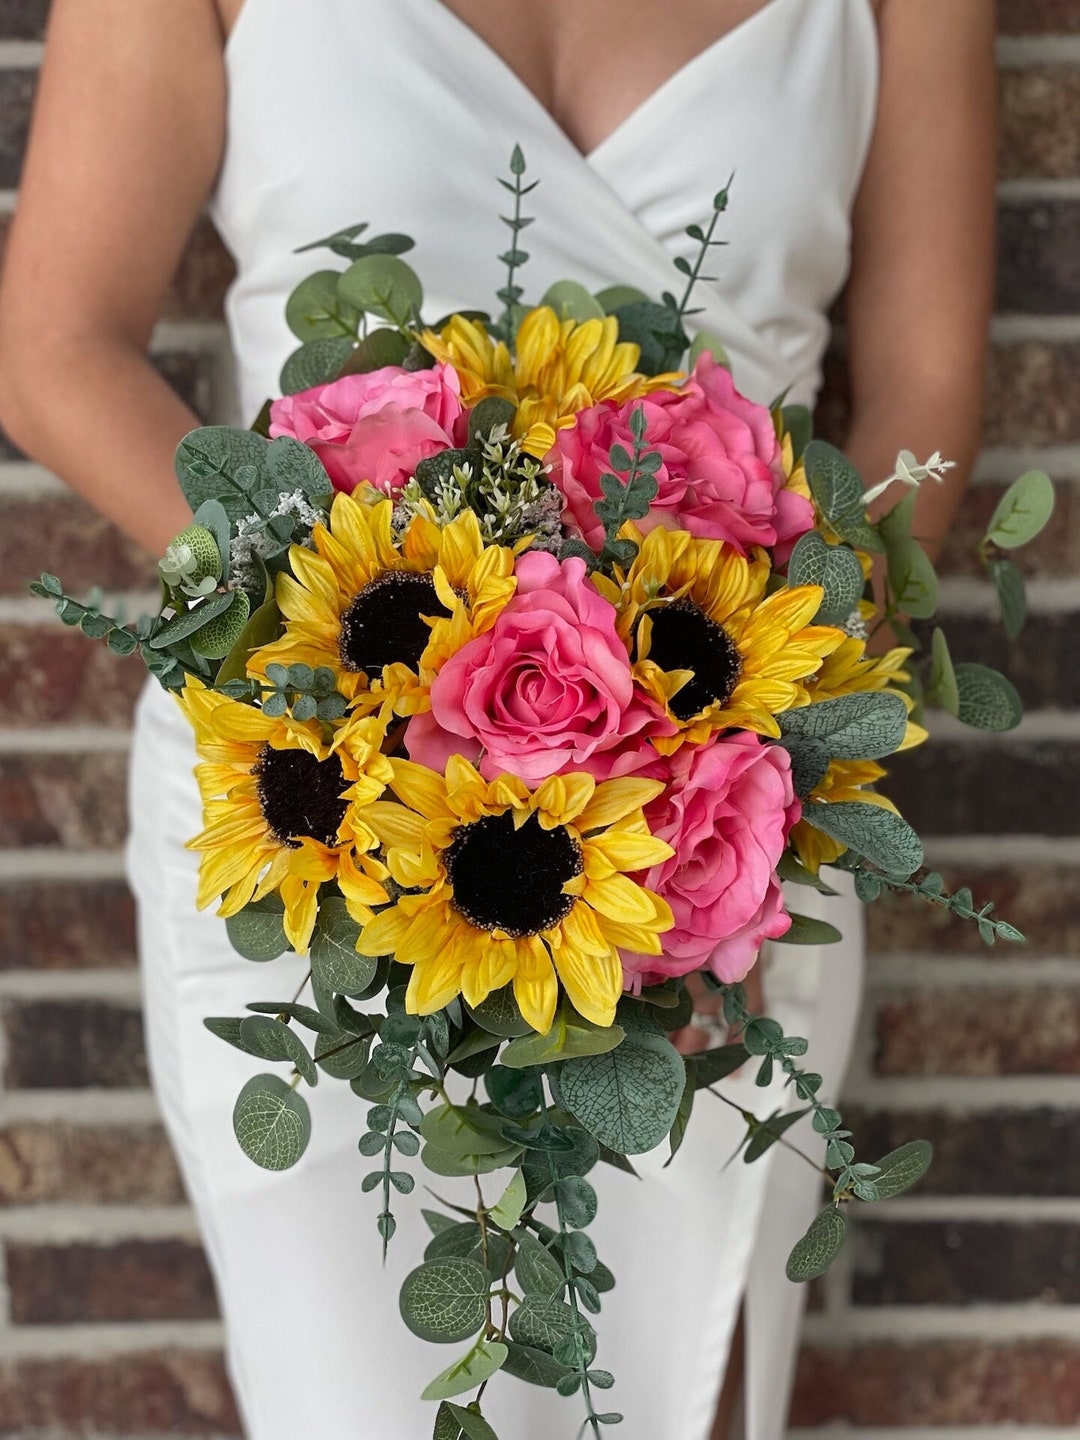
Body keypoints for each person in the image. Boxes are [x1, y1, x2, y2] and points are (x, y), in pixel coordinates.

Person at [0, 2, 995, 1436]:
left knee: (667, 1389)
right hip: (312, 809)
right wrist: (368, 649)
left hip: (710, 833)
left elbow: (924, 398)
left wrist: (729, 769)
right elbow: (57, 354)